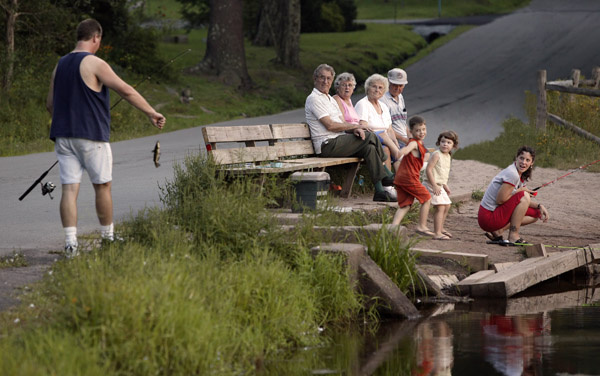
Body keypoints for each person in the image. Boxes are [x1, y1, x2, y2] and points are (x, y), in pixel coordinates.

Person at [46, 19, 166, 257]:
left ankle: (71, 244)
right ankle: (108, 238)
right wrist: (152, 112)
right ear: (96, 38)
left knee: (69, 190)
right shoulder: (95, 63)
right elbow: (126, 90)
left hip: (63, 136)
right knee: (103, 186)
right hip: (91, 136)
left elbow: (50, 104)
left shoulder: (59, 64)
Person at [305, 64, 396, 202]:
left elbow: (342, 124)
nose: (325, 81)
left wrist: (355, 128)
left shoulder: (329, 99)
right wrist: (355, 126)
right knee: (370, 136)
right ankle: (387, 174)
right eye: (322, 78)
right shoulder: (314, 98)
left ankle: (379, 192)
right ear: (315, 78)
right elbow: (330, 125)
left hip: (338, 141)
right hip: (327, 144)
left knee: (369, 148)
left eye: (329, 78)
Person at [478, 146, 549, 245]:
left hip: (495, 214)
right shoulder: (513, 174)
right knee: (524, 195)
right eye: (521, 158)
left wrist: (539, 205)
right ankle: (513, 236)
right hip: (487, 218)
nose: (523, 162)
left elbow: (519, 200)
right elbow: (500, 200)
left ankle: (499, 231)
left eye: (527, 160)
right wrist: (520, 190)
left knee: (536, 213)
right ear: (516, 158)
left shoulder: (519, 174)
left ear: (532, 163)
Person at [391, 116, 432, 235]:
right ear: (411, 131)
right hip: (409, 178)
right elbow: (407, 149)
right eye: (418, 130)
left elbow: (424, 154)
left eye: (423, 129)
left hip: (401, 178)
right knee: (426, 198)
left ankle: (393, 228)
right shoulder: (413, 143)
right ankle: (422, 226)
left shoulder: (420, 143)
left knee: (405, 205)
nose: (421, 132)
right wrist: (400, 152)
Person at [355, 73, 402, 172]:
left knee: (387, 148)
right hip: (370, 140)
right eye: (374, 87)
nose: (377, 90)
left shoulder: (383, 106)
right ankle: (398, 154)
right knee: (383, 136)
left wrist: (395, 142)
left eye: (380, 88)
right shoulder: (362, 104)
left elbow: (389, 129)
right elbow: (363, 126)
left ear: (384, 91)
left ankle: (401, 184)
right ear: (368, 88)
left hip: (385, 142)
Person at [424, 131, 459, 240]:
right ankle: (437, 233)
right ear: (439, 142)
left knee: (447, 205)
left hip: (440, 184)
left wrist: (445, 185)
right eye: (443, 141)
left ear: (453, 146)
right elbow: (429, 170)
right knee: (440, 206)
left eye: (449, 142)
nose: (445, 144)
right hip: (431, 183)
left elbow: (442, 172)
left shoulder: (447, 155)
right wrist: (434, 185)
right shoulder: (436, 154)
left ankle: (441, 228)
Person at [381, 68, 411, 147]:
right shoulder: (382, 99)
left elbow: (403, 122)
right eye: (394, 85)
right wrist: (405, 140)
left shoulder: (400, 97)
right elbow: (386, 128)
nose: (397, 88)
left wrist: (411, 137)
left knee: (426, 154)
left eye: (400, 85)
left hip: (404, 141)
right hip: (394, 142)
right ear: (388, 83)